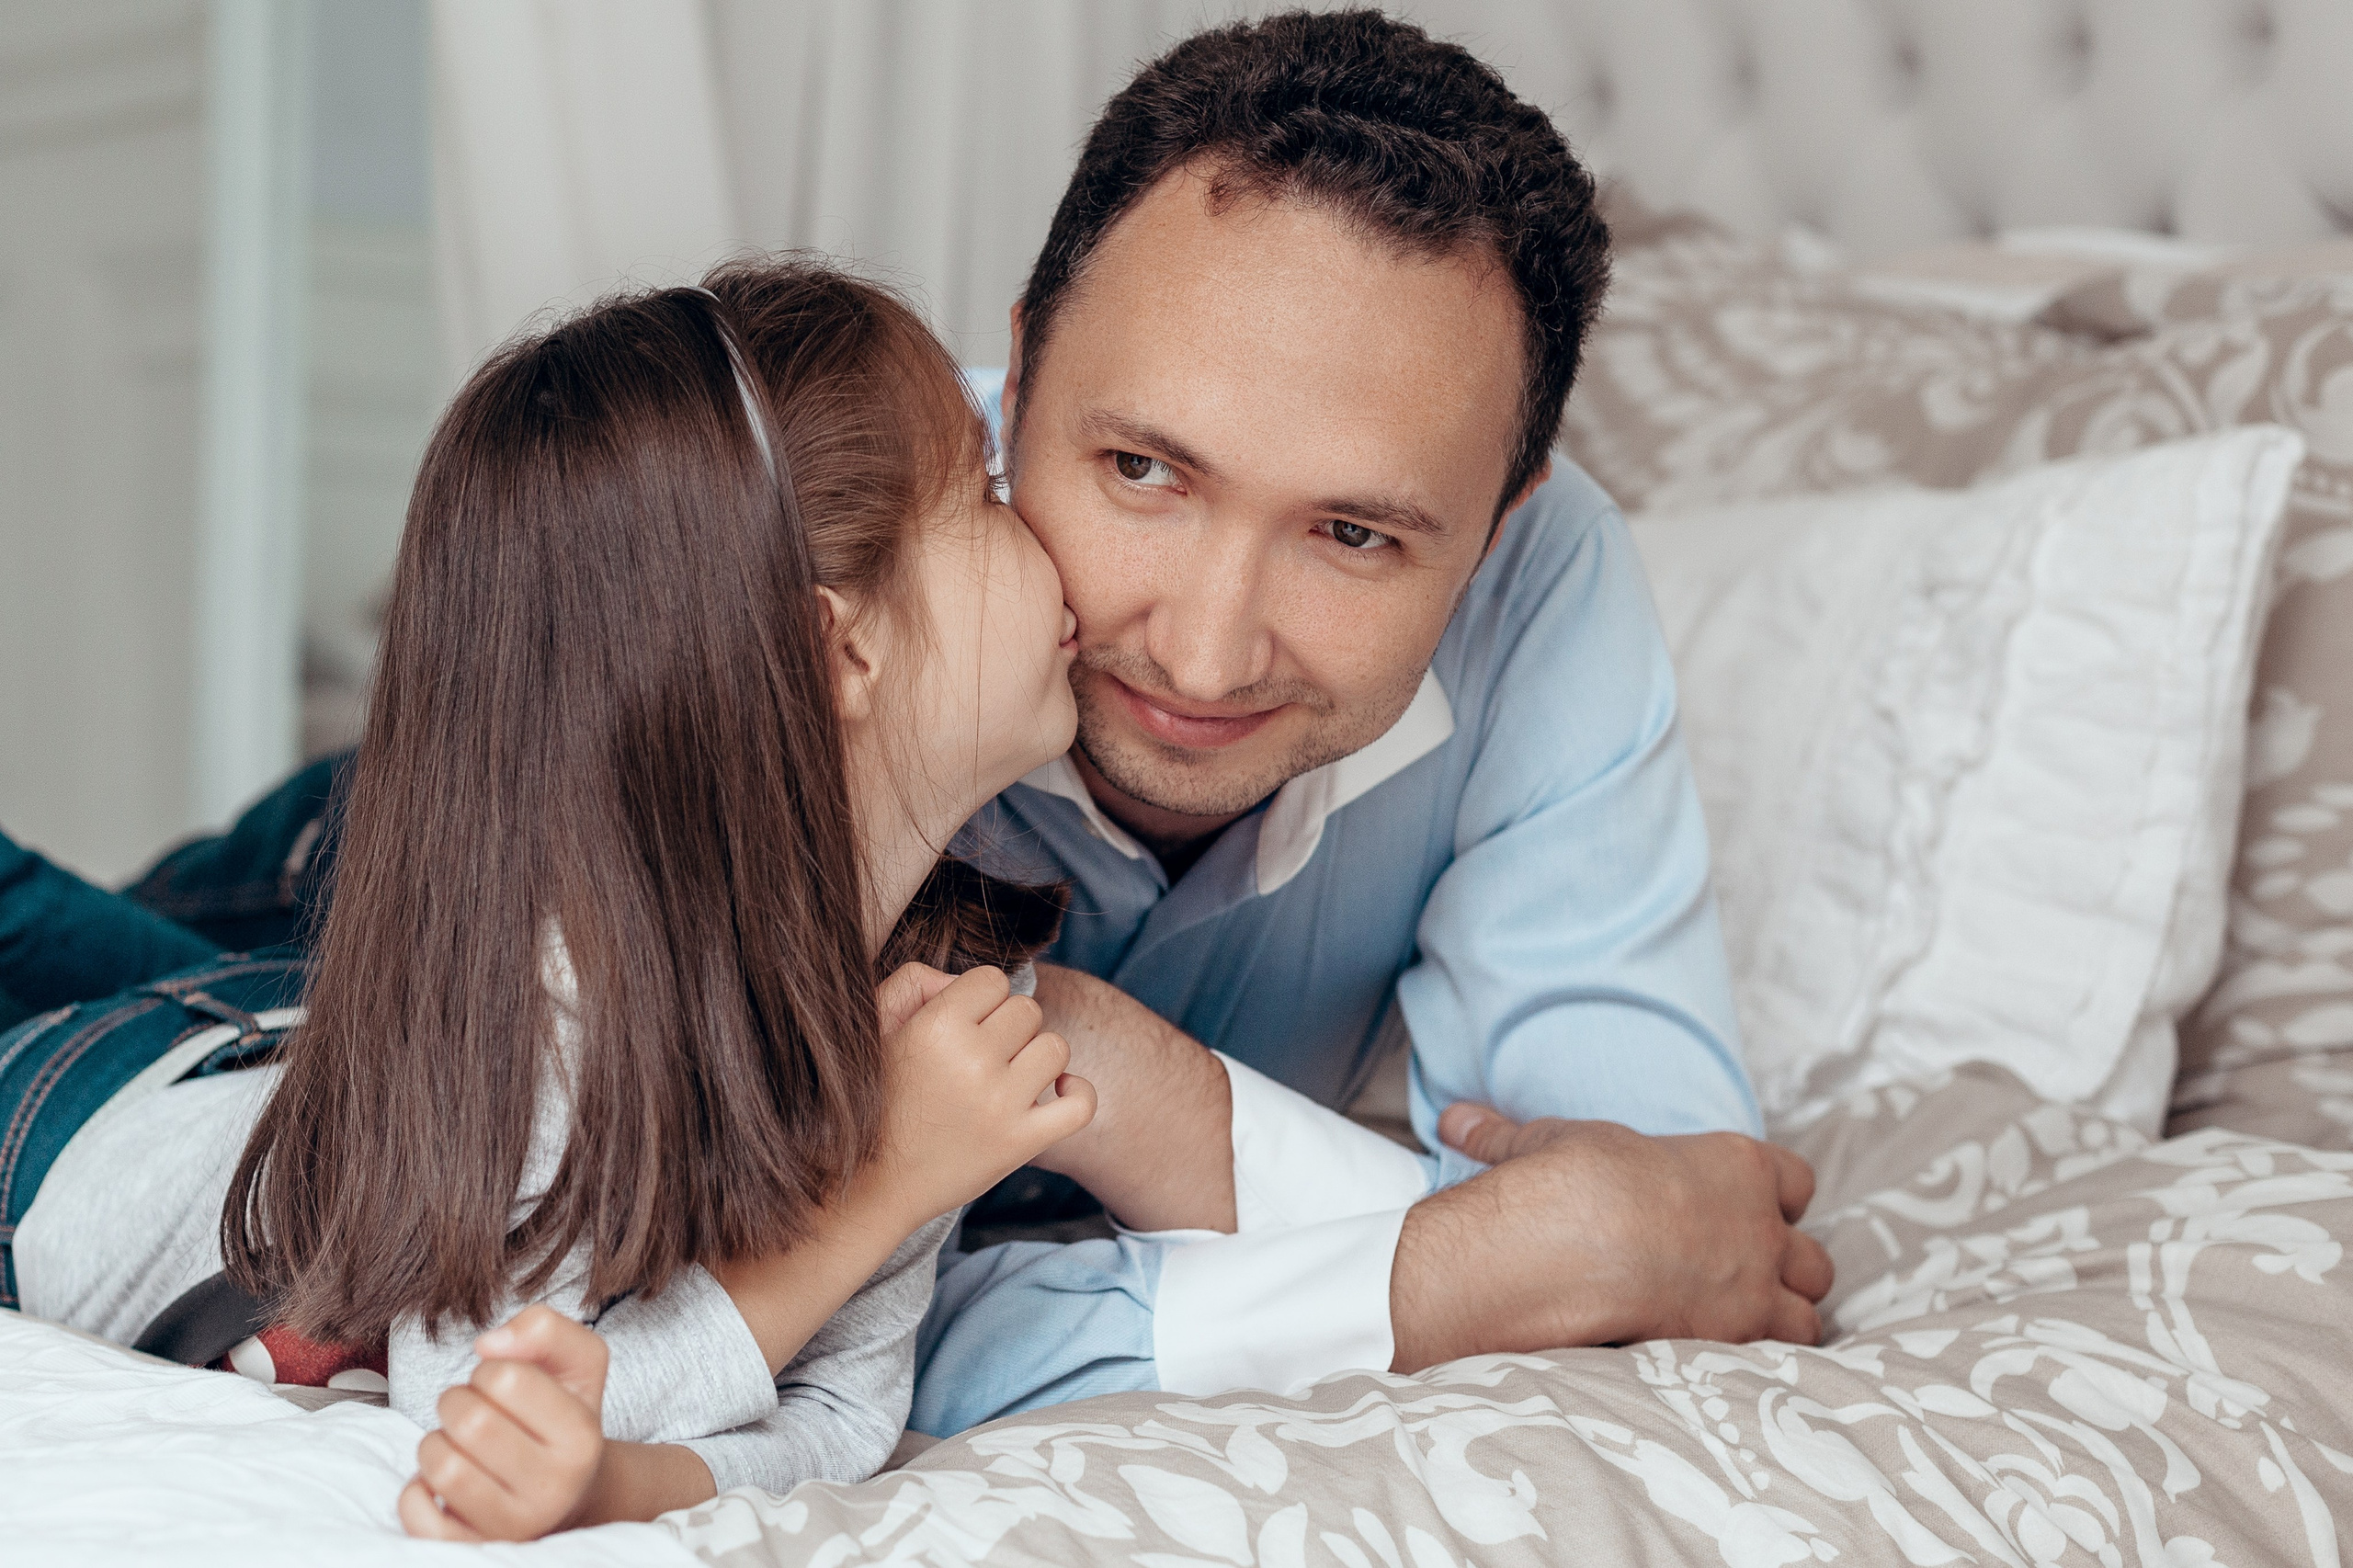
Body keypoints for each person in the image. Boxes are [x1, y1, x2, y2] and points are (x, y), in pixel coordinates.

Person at [0, 259, 1188, 1538]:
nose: (1048, 532)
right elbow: (460, 1395)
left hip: (281, 1054)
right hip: (76, 1128)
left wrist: (619, 1488)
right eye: (984, 491)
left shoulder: (946, 990)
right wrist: (883, 1190)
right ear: (839, 648)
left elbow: (839, 1416)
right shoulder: (566, 1013)